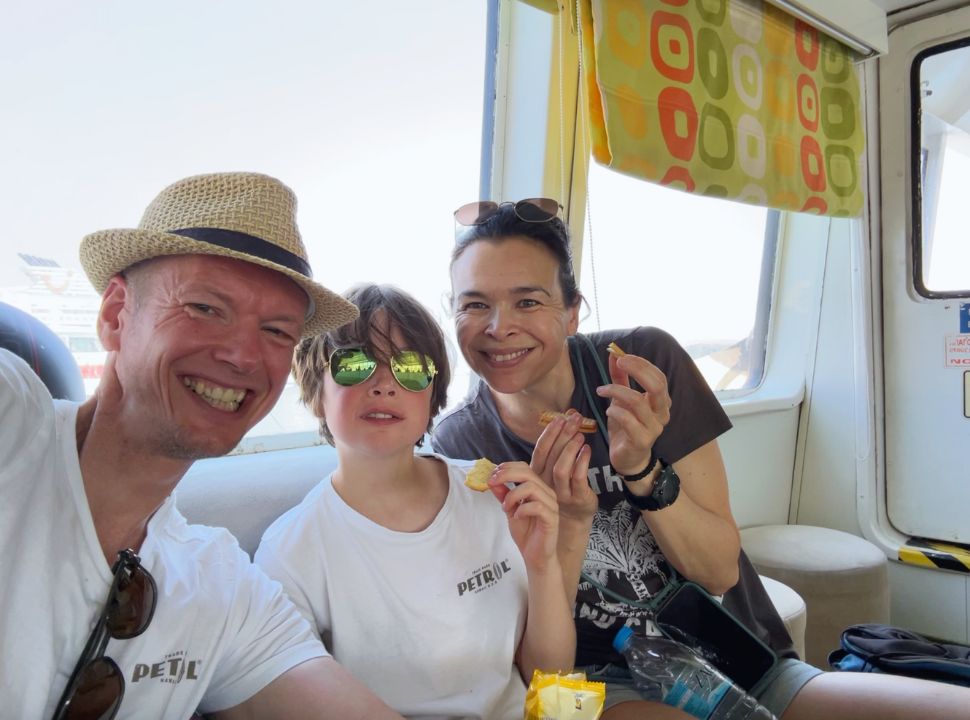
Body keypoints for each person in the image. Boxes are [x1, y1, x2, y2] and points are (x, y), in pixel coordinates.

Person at [431, 199, 970, 720]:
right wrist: (568, 527)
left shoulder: (639, 367)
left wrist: (640, 468)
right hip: (600, 684)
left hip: (737, 660)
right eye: (474, 303)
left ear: (572, 312)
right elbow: (527, 649)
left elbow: (715, 570)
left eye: (528, 301)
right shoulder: (460, 447)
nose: (498, 326)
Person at [0, 172, 406, 719]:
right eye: (205, 308)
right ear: (116, 314)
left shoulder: (220, 584)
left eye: (277, 332)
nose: (242, 355)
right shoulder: (14, 425)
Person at [255, 283, 578, 719]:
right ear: (317, 391)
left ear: (433, 395)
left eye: (410, 367)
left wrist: (542, 566)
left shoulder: (494, 497)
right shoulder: (291, 553)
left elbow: (550, 677)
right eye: (355, 364)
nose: (385, 384)